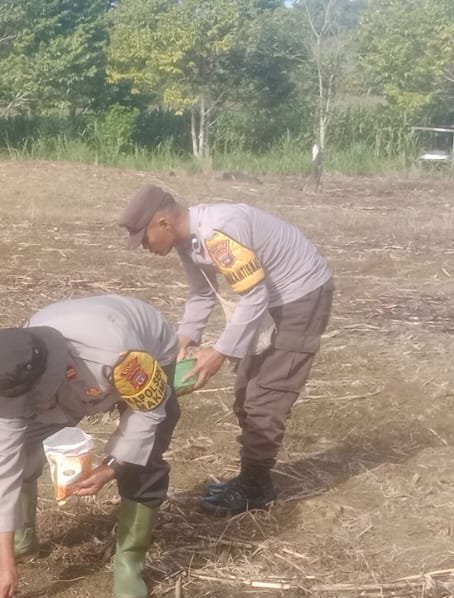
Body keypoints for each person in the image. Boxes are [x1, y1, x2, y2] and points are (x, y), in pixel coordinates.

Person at [118, 185, 334, 515]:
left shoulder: (218, 234)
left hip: (300, 296)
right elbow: (202, 294)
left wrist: (219, 352)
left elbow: (254, 297)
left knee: (266, 396)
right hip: (271, 298)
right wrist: (182, 341)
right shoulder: (188, 242)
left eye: (144, 238)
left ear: (163, 223)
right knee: (245, 391)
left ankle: (255, 488)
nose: (144, 247)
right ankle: (252, 478)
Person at [0, 295, 181, 598]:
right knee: (22, 452)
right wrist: (4, 561)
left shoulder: (119, 354)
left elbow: (149, 411)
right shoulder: (12, 372)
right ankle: (22, 540)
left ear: (53, 376)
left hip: (146, 349)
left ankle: (130, 559)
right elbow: (2, 468)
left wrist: (112, 466)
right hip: (75, 375)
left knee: (145, 458)